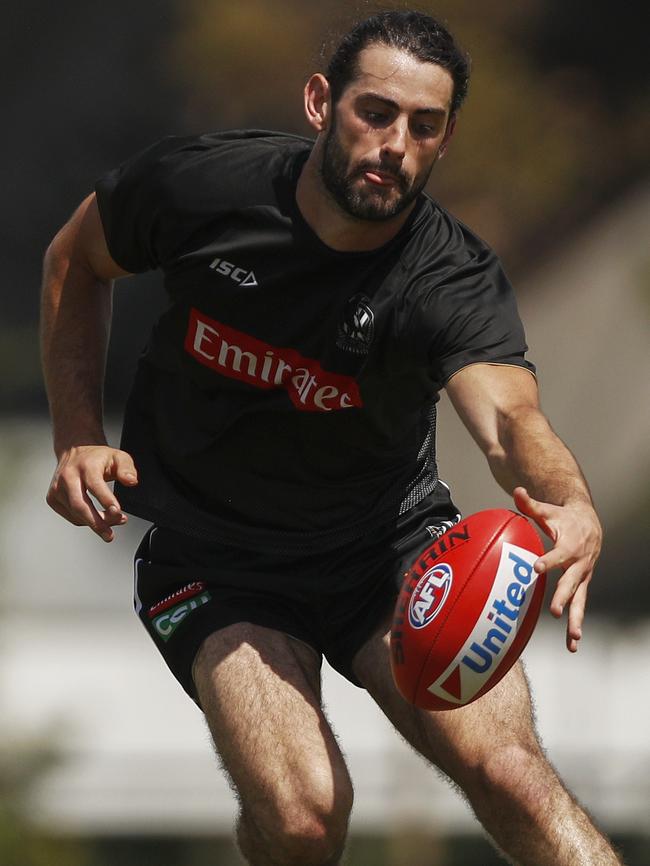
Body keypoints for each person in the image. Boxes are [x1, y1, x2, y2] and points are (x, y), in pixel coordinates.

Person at [41, 10, 623, 866]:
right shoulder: (199, 189)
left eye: (424, 126)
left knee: (512, 773)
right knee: (305, 816)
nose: (396, 143)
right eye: (376, 113)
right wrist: (77, 434)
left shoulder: (448, 279)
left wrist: (571, 502)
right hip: (216, 560)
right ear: (321, 103)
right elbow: (75, 259)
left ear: (446, 138)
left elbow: (509, 418)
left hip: (385, 554)